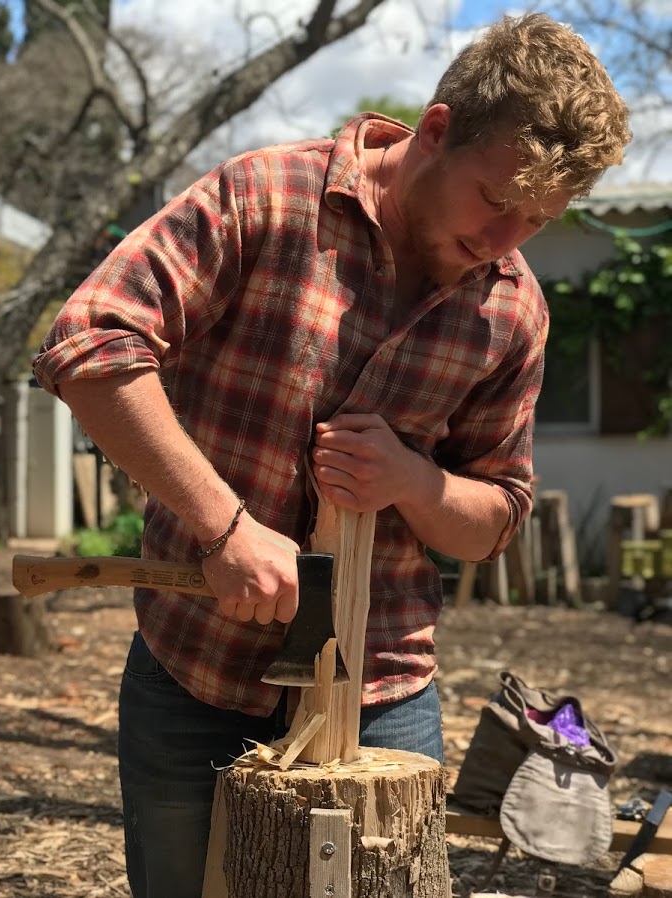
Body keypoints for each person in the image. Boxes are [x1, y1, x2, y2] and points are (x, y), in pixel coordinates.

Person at [32, 13, 631, 898]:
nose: (506, 239)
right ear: (435, 131)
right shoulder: (267, 199)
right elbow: (89, 345)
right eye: (495, 200)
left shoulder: (513, 313)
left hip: (382, 688)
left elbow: (497, 518)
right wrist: (223, 526)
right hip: (195, 667)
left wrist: (417, 482)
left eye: (538, 221)